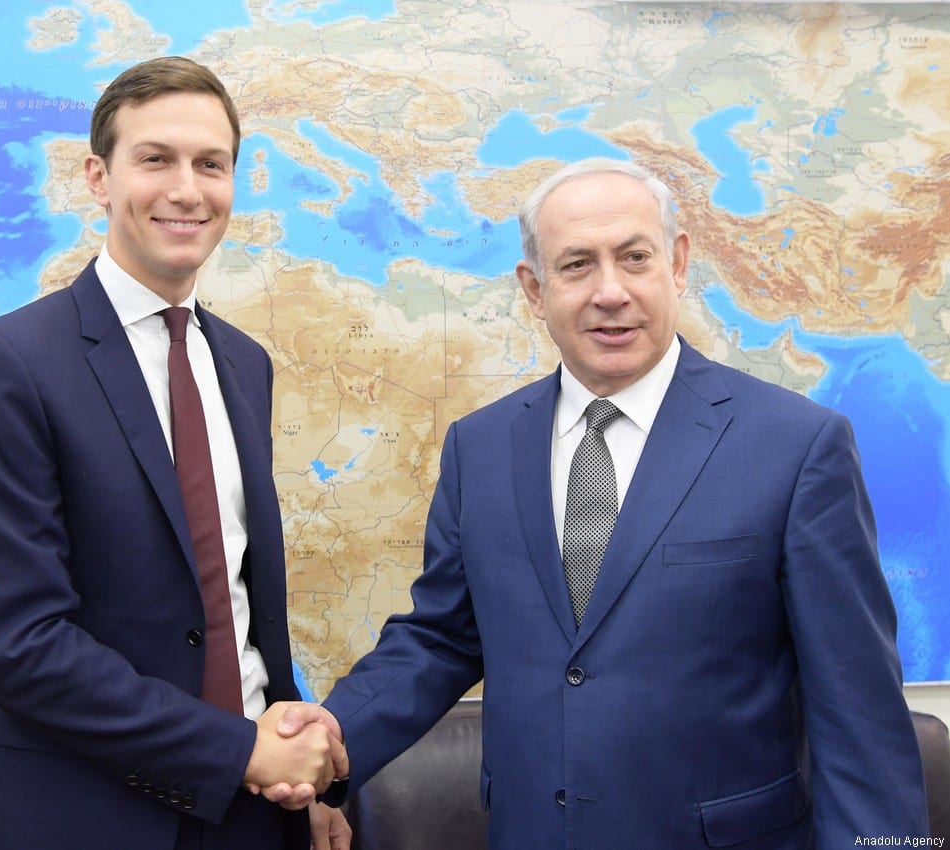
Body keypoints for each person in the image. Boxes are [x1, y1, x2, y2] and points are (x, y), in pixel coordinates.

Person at [279, 157, 931, 847]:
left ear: (676, 265)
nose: (610, 291)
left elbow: (857, 710)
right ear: (534, 289)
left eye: (634, 257)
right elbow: (442, 635)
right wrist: (332, 739)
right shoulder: (480, 446)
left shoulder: (796, 446)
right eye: (577, 265)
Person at [0, 56, 350, 850]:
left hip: (255, 816)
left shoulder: (244, 362)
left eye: (211, 164)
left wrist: (304, 783)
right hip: (79, 812)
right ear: (97, 177)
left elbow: (237, 606)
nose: (186, 190)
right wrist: (240, 751)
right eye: (155, 159)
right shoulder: (5, 365)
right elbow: (19, 643)